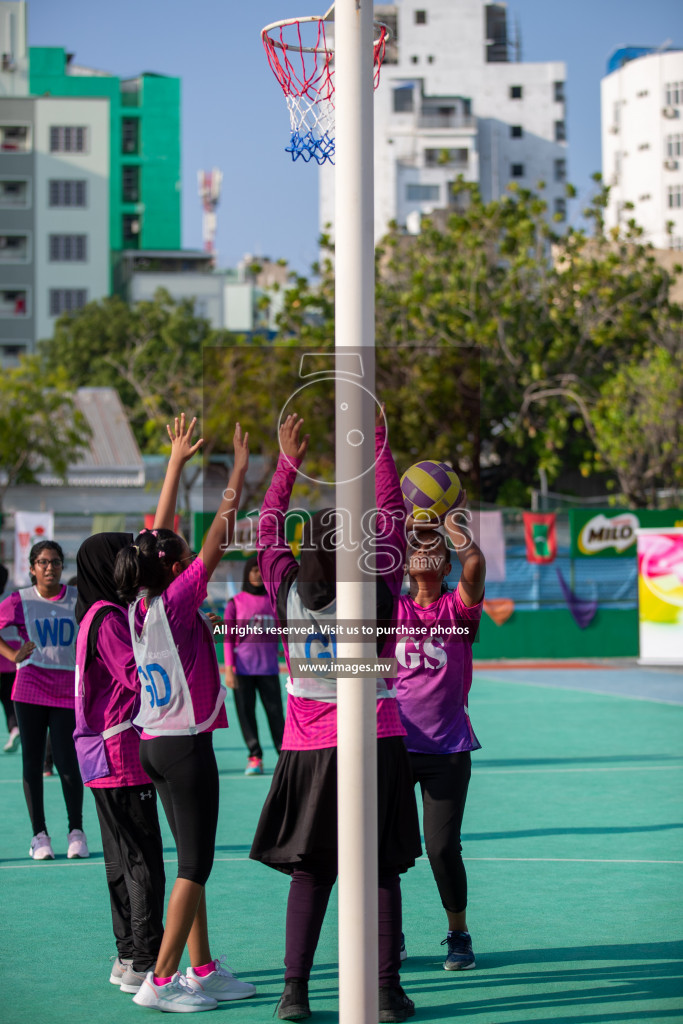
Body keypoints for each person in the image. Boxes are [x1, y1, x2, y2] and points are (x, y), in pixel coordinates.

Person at [250, 413, 421, 1024]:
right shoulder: (377, 582)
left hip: (308, 748)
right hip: (374, 738)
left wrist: (287, 463)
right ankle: (385, 991)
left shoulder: (285, 587)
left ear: (304, 550)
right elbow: (394, 518)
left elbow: (268, 530)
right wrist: (378, 444)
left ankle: (294, 991)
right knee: (378, 870)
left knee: (312, 871)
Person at [114, 421, 256, 1014]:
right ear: (174, 569)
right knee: (197, 864)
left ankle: (200, 967)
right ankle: (162, 979)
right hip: (182, 745)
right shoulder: (174, 599)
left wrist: (173, 463)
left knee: (187, 864)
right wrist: (239, 479)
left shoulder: (139, 601)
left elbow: (153, 535)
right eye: (181, 556)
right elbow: (218, 537)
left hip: (155, 742)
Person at [393, 496, 486, 971]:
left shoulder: (458, 611)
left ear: (446, 562)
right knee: (385, 848)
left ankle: (458, 932)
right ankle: (390, 934)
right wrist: (407, 520)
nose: (423, 552)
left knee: (443, 847)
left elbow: (476, 562)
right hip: (392, 745)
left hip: (448, 748)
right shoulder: (390, 609)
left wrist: (453, 523)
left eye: (434, 547)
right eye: (415, 547)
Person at [0, 541, 87, 859]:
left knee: (67, 763)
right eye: (43, 562)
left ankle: (76, 832)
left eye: (55, 562)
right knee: (32, 764)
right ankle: (40, 836)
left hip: (67, 691)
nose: (50, 567)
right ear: (32, 567)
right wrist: (11, 654)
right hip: (29, 691)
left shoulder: (78, 598)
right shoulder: (19, 600)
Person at [223, 554, 285, 775]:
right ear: (247, 574)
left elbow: (283, 633)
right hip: (243, 671)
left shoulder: (274, 601)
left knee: (276, 713)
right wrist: (229, 670)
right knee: (246, 713)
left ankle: (285, 755)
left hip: (268, 669)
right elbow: (229, 638)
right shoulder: (236, 603)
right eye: (253, 570)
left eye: (260, 571)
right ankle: (255, 756)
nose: (257, 574)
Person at [0, 561, 21, 753]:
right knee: (8, 700)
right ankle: (14, 729)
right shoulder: (11, 599)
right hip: (13, 659)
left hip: (4, 654)